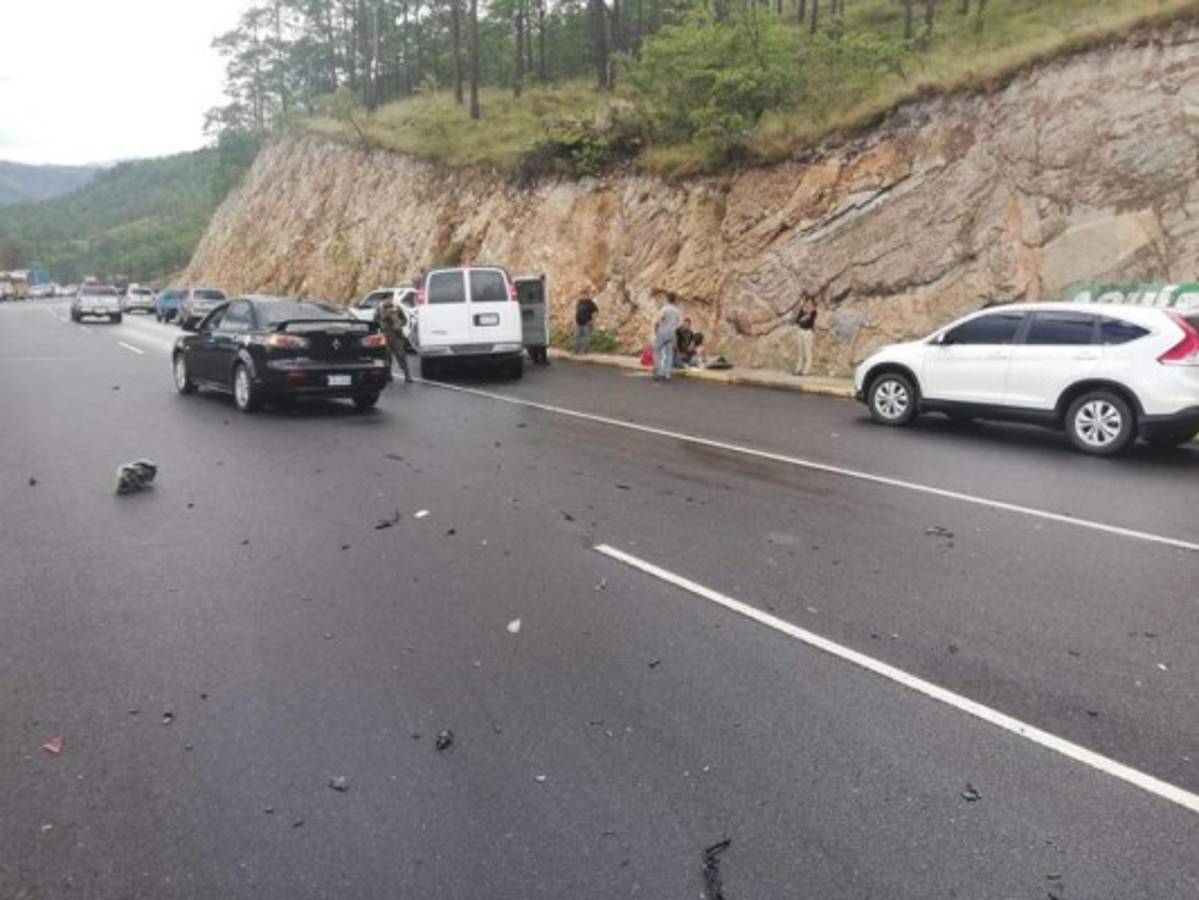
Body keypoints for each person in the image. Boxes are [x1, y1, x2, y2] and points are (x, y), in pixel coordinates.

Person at [379, 295, 413, 383]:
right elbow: (375, 321)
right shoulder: (380, 309)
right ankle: (388, 375)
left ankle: (407, 375)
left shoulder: (397, 308)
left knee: (401, 355)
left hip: (397, 335)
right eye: (387, 299)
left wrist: (399, 323)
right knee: (387, 356)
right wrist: (383, 320)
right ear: (384, 300)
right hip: (385, 335)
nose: (389, 300)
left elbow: (405, 320)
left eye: (391, 298)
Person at [652, 294, 682, 380]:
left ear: (667, 299)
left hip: (662, 332)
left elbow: (659, 320)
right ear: (675, 300)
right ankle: (667, 373)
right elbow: (679, 324)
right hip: (672, 333)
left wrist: (656, 330)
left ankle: (659, 371)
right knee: (669, 353)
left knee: (656, 350)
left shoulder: (664, 309)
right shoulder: (677, 311)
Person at [794, 297, 818, 376]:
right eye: (807, 302)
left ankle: (806, 370)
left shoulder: (813, 312)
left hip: (808, 332)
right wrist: (803, 313)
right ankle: (798, 369)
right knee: (800, 352)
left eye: (810, 302)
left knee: (808, 352)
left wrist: (805, 316)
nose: (808, 304)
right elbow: (797, 320)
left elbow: (810, 322)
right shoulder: (802, 310)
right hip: (800, 331)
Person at [574, 287, 599, 354]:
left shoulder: (590, 303)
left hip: (586, 323)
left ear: (587, 295)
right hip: (578, 323)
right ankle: (577, 350)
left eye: (584, 295)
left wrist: (592, 321)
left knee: (585, 337)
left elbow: (596, 311)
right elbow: (577, 311)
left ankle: (585, 351)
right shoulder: (579, 302)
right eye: (581, 295)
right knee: (577, 337)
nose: (582, 296)